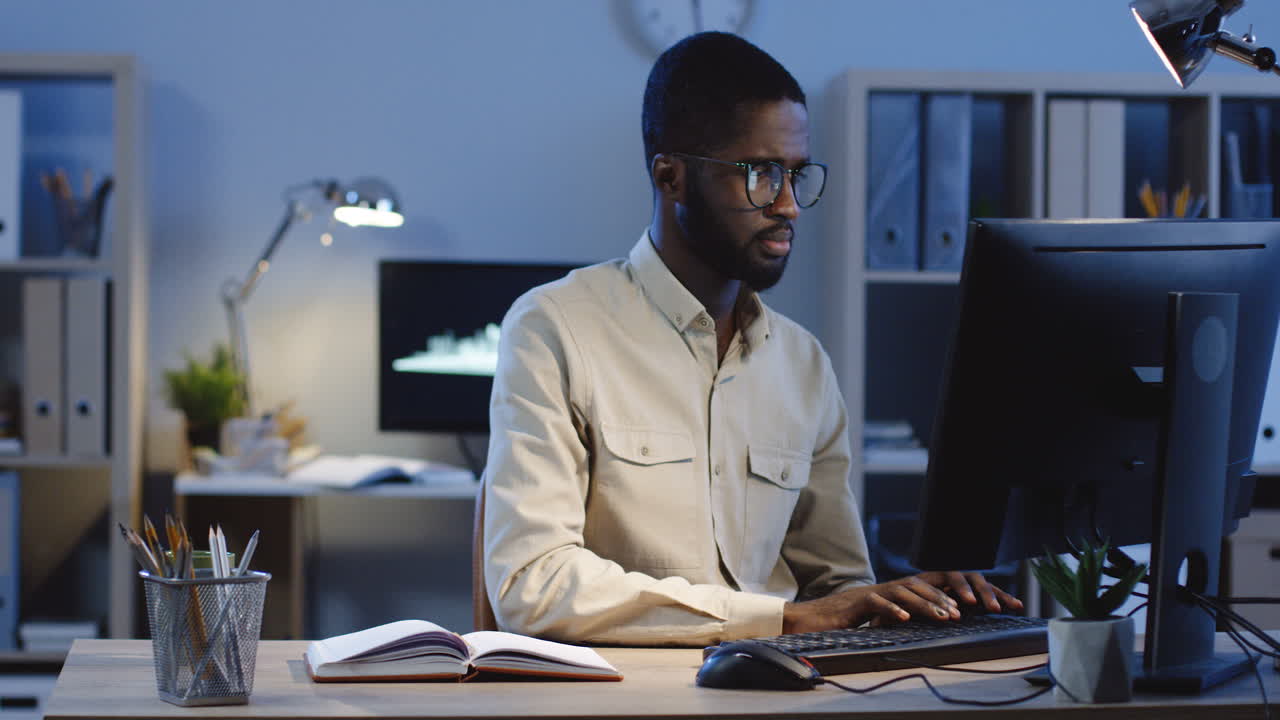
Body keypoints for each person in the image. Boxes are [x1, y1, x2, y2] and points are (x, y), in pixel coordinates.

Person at [481, 31, 1020, 646]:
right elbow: (532, 585)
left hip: (781, 687)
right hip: (626, 694)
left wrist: (910, 599)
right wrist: (776, 619)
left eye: (797, 175)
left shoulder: (802, 362)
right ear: (671, 177)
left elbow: (836, 586)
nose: (788, 205)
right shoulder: (555, 327)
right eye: (761, 175)